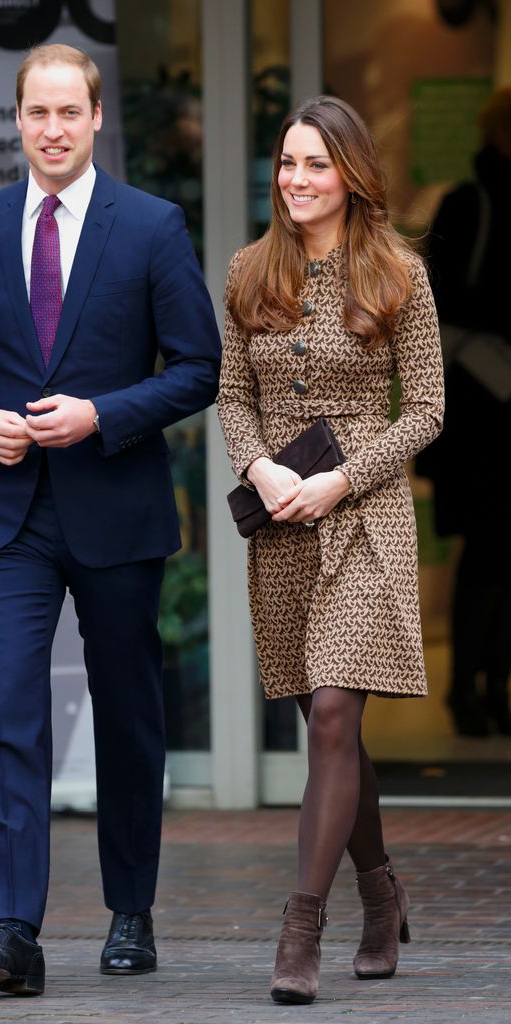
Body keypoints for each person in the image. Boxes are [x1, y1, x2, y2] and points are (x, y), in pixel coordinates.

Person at [0, 43, 220, 996]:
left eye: (69, 113)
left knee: (128, 714)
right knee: (12, 712)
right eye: (37, 113)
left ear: (95, 120)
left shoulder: (151, 226)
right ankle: (13, 930)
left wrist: (103, 415)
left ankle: (131, 909)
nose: (53, 129)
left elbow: (196, 367)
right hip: (7, 516)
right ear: (18, 120)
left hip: (116, 510)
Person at [218, 95, 443, 1005]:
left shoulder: (398, 274)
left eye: (315, 164)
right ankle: (382, 897)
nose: (297, 180)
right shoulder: (247, 272)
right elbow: (231, 396)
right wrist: (261, 467)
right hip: (282, 525)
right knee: (327, 726)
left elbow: (428, 409)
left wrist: (341, 479)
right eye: (286, 163)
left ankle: (300, 928)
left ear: (350, 174)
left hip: (364, 517)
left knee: (336, 716)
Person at [416, 87, 511, 737]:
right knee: (488, 551)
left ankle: (490, 690)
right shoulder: (468, 204)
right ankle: (469, 691)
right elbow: (440, 302)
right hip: (483, 413)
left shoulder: (469, 201)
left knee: (498, 555)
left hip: (489, 406)